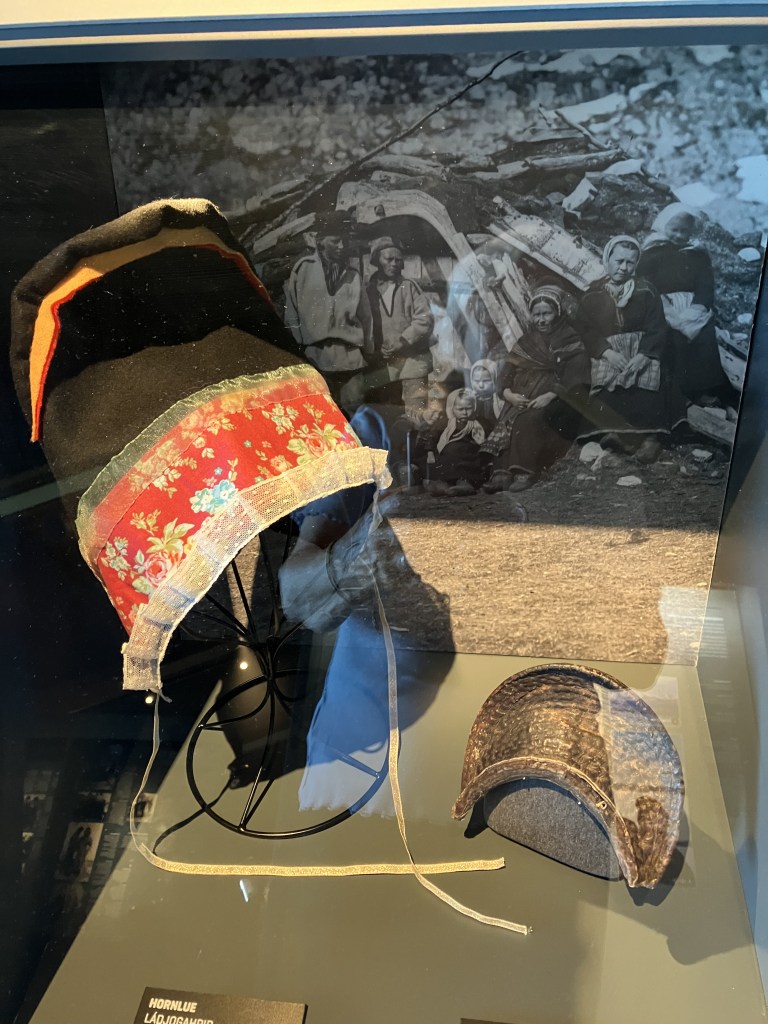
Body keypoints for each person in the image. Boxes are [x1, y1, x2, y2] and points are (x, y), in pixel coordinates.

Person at [575, 235, 682, 464]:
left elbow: (657, 327)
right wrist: (606, 352)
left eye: (630, 262)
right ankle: (617, 435)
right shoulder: (592, 293)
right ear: (607, 259)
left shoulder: (647, 290)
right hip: (609, 353)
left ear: (636, 264)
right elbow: (585, 330)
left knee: (648, 381)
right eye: (619, 261)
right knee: (607, 383)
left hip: (642, 350)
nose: (623, 268)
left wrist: (644, 355)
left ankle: (651, 440)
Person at [482, 287, 590, 492]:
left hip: (559, 397)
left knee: (528, 419)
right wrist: (508, 394)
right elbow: (507, 371)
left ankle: (525, 471)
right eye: (537, 314)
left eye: (546, 314)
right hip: (521, 396)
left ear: (557, 313)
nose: (541, 320)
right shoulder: (526, 340)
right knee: (506, 417)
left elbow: (576, 376)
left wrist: (550, 395)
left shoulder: (569, 338)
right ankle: (502, 473)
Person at [638, 203, 736, 408]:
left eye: (684, 231)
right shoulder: (653, 249)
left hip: (690, 305)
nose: (679, 235)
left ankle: (703, 389)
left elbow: (706, 285)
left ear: (691, 232)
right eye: (674, 229)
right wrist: (659, 304)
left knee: (704, 335)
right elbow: (644, 280)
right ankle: (677, 389)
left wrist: (698, 306)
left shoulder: (698, 254)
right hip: (662, 303)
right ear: (664, 225)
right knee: (675, 338)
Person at [284, 209, 373, 413]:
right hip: (315, 356)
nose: (341, 246)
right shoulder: (303, 269)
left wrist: (369, 349)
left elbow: (366, 316)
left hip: (350, 357)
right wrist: (297, 349)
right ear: (321, 241)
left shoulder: (353, 275)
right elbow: (292, 312)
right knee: (321, 413)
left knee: (355, 411)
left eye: (344, 241)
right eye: (335, 241)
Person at [366, 236, 434, 417]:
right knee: (388, 413)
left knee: (417, 413)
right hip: (384, 363)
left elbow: (424, 319)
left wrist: (402, 341)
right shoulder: (368, 290)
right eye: (389, 259)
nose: (394, 264)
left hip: (413, 361)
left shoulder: (409, 287)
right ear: (377, 260)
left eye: (398, 260)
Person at [428, 388, 487, 497]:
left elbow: (484, 440)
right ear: (453, 409)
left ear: (474, 407)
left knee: (458, 452)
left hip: (468, 456)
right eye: (460, 409)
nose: (464, 412)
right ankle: (446, 484)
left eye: (468, 408)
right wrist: (430, 452)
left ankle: (465, 482)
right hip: (448, 455)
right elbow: (432, 438)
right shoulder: (445, 424)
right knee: (444, 458)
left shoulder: (478, 424)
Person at [469, 359, 505, 433]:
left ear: (495, 379)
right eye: (476, 381)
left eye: (486, 381)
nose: (481, 385)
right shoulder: (470, 400)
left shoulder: (500, 401)